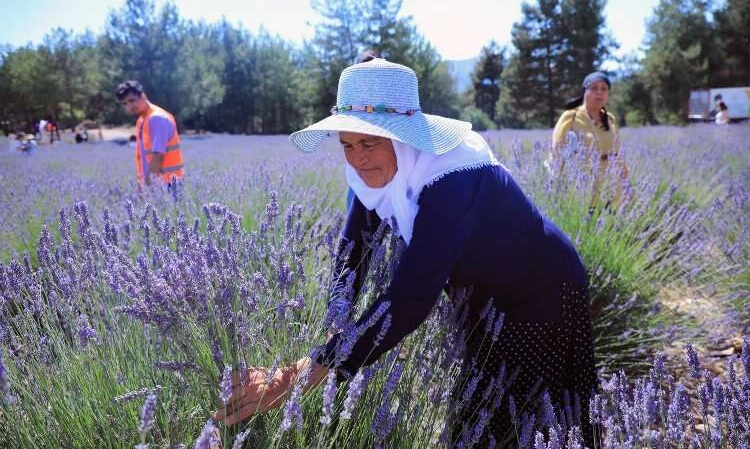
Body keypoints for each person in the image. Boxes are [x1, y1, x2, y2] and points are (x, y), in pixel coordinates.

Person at [216, 59, 597, 446]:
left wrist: (299, 374)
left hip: (540, 292)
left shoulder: (453, 175)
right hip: (481, 302)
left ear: (404, 136)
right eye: (347, 145)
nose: (358, 158)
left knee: (528, 424)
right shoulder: (373, 173)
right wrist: (336, 325)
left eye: (370, 142)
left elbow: (410, 298)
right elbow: (352, 254)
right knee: (480, 420)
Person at [550, 71, 628, 206]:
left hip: (608, 184)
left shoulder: (610, 119)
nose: (599, 92)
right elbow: (557, 148)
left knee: (608, 222)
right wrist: (558, 179)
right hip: (579, 184)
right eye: (594, 88)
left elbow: (617, 150)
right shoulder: (571, 116)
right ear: (585, 91)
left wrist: (624, 174)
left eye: (604, 89)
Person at [114, 80, 185, 186]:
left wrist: (149, 187)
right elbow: (143, 157)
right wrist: (141, 185)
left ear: (143, 96)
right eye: (125, 103)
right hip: (157, 183)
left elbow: (157, 156)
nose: (129, 106)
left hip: (168, 184)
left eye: (132, 100)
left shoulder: (157, 118)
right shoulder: (142, 120)